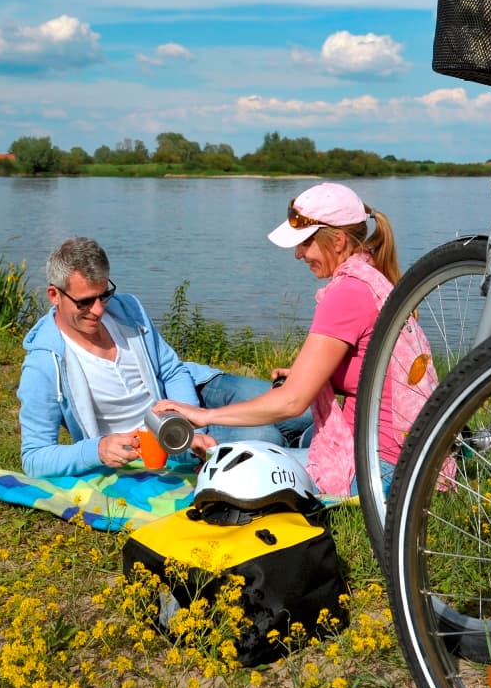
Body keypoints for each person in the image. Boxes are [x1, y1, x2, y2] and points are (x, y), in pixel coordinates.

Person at [153, 182, 439, 496]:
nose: (298, 254)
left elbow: (292, 402)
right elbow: (369, 365)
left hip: (377, 470)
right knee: (300, 439)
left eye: (304, 243)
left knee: (229, 469)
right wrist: (310, 373)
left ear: (339, 240)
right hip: (409, 458)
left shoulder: (346, 293)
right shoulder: (373, 277)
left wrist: (202, 415)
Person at [18, 236, 311, 477]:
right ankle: (322, 456)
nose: (98, 310)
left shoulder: (127, 309)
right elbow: (34, 457)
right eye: (84, 302)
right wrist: (97, 450)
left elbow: (172, 371)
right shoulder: (44, 364)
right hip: (161, 442)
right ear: (54, 295)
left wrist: (192, 422)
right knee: (266, 437)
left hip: (193, 393)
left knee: (306, 407)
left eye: (103, 295)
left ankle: (315, 441)